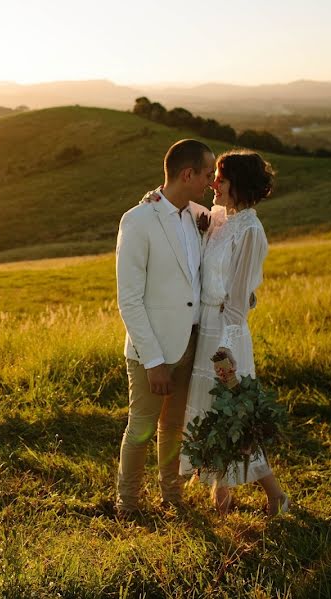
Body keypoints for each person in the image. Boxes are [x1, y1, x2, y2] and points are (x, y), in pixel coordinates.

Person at [177, 149, 290, 516]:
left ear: (237, 185)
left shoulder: (251, 230)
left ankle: (275, 494)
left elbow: (240, 298)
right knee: (212, 415)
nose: (213, 184)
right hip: (207, 325)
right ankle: (220, 499)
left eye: (221, 179)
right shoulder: (221, 217)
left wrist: (225, 349)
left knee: (234, 415)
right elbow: (188, 212)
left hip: (227, 335)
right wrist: (153, 198)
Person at [114, 139, 213, 516]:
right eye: (206, 174)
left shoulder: (198, 215)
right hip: (151, 349)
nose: (210, 182)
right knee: (140, 428)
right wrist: (153, 360)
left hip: (190, 342)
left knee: (173, 427)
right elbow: (130, 299)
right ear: (187, 174)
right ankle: (128, 505)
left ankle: (172, 498)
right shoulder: (138, 220)